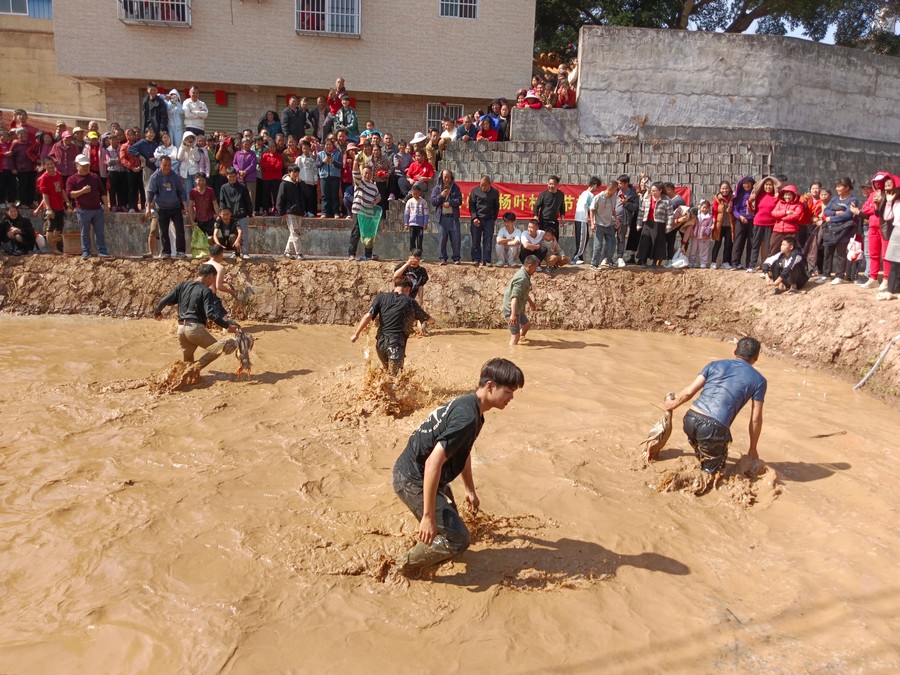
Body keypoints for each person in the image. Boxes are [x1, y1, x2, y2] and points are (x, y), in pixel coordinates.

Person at [392, 357, 524, 575]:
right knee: (458, 540)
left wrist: (470, 490)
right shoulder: (467, 418)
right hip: (412, 478)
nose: (511, 398)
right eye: (508, 392)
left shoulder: (472, 408)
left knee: (452, 526)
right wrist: (428, 517)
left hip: (421, 473)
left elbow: (462, 451)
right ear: (490, 386)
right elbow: (433, 461)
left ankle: (426, 547)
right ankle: (399, 567)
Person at [664, 337, 766, 475]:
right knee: (713, 474)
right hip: (713, 428)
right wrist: (753, 448)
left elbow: (689, 392)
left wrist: (673, 404)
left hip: (690, 419)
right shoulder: (759, 380)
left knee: (705, 458)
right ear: (756, 357)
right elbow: (755, 419)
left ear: (735, 351)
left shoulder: (714, 364)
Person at [154, 264, 241, 374]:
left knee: (187, 361)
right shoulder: (206, 291)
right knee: (217, 349)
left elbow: (164, 300)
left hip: (181, 330)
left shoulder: (183, 286)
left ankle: (185, 377)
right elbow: (210, 313)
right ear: (210, 276)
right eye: (213, 279)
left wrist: (157, 312)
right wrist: (227, 326)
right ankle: (193, 370)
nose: (213, 282)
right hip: (194, 329)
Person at [349, 277, 434, 374]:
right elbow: (427, 318)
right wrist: (433, 321)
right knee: (395, 377)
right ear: (408, 289)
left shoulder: (381, 297)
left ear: (394, 286)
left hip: (380, 344)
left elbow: (368, 316)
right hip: (395, 345)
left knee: (387, 373)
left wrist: (356, 334)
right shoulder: (410, 302)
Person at [66, 154, 109, 259]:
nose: (85, 168)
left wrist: (106, 205)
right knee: (84, 232)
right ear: (77, 165)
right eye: (83, 165)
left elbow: (102, 191)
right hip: (83, 210)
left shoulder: (94, 177)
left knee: (99, 232)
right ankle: (86, 251)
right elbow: (70, 194)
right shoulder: (72, 179)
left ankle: (102, 251)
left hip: (97, 209)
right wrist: (82, 191)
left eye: (87, 165)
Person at [146, 155, 189, 259]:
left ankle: (180, 251)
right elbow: (150, 193)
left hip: (175, 207)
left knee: (180, 230)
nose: (167, 167)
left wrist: (185, 205)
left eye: (169, 165)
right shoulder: (155, 177)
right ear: (160, 164)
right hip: (161, 208)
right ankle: (166, 252)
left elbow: (181, 191)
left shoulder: (175, 176)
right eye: (165, 165)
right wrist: (148, 208)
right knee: (163, 231)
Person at [34, 156, 70, 254]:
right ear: (44, 166)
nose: (50, 166)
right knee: (50, 227)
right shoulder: (43, 178)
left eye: (52, 164)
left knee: (60, 226)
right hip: (51, 206)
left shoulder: (58, 174)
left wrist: (67, 201)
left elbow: (62, 189)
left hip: (60, 205)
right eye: (48, 164)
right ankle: (53, 248)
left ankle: (55, 245)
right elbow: (44, 195)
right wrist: (48, 209)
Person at [502, 255, 539, 346]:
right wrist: (513, 315)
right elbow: (514, 297)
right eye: (535, 267)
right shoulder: (522, 279)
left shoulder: (525, 274)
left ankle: (520, 339)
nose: (536, 270)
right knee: (515, 336)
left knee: (526, 325)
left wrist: (531, 303)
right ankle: (512, 350)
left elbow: (523, 292)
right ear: (529, 266)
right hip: (512, 309)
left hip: (518, 308)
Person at [218, 168, 253, 257]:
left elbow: (247, 201)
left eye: (233, 176)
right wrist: (223, 214)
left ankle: (245, 253)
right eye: (230, 176)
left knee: (243, 234)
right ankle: (235, 252)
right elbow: (222, 202)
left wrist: (250, 213)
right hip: (230, 216)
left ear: (236, 176)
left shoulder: (242, 187)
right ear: (227, 176)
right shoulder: (224, 188)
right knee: (232, 235)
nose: (232, 178)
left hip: (242, 214)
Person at [431, 169, 463, 265]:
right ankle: (442, 258)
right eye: (445, 177)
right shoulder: (437, 188)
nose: (447, 179)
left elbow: (459, 200)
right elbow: (433, 202)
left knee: (456, 239)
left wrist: (450, 203)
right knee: (442, 239)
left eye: (449, 177)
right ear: (441, 177)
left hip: (453, 217)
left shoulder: (456, 188)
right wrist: (441, 195)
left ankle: (456, 258)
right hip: (442, 218)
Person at [467, 174, 500, 267]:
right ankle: (476, 259)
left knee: (488, 240)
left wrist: (494, 218)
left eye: (485, 185)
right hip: (477, 219)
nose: (483, 187)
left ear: (489, 184)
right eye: (481, 185)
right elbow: (471, 205)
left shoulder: (495, 192)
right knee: (475, 240)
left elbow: (496, 206)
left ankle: (487, 260)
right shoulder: (475, 191)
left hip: (489, 219)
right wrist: (474, 217)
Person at [277, 164, 305, 259]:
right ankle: (299, 253)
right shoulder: (284, 184)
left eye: (297, 172)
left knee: (294, 233)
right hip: (289, 211)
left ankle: (287, 252)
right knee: (295, 232)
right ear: (289, 173)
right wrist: (281, 212)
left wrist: (301, 183)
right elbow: (280, 198)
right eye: (294, 172)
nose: (296, 174)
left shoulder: (298, 183)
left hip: (299, 210)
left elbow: (307, 194)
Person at [573, 177, 602, 265]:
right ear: (595, 185)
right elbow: (591, 208)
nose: (597, 189)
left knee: (584, 238)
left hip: (581, 219)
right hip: (582, 219)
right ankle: (576, 257)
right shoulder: (589, 195)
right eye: (598, 187)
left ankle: (579, 257)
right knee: (582, 239)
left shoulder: (584, 193)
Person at [589, 182, 617, 269]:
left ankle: (608, 261)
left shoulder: (614, 197)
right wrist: (592, 223)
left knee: (612, 244)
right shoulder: (598, 197)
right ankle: (594, 264)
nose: (616, 191)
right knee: (598, 245)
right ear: (610, 189)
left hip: (609, 224)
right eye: (615, 189)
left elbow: (613, 210)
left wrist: (617, 220)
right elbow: (592, 210)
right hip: (599, 224)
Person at [533, 175, 566, 240]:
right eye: (549, 184)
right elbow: (536, 206)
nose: (550, 186)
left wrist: (562, 217)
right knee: (543, 240)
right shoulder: (543, 195)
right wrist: (535, 216)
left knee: (555, 239)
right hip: (544, 221)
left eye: (553, 184)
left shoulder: (560, 195)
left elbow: (562, 207)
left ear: (557, 185)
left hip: (554, 221)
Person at [403, 181, 429, 252]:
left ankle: (419, 254)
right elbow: (407, 213)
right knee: (412, 238)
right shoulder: (409, 202)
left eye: (417, 194)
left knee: (419, 239)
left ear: (420, 192)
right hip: (412, 224)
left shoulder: (423, 202)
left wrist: (425, 223)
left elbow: (426, 214)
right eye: (414, 194)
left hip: (420, 225)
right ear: (411, 193)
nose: (415, 195)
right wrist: (406, 223)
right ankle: (412, 252)